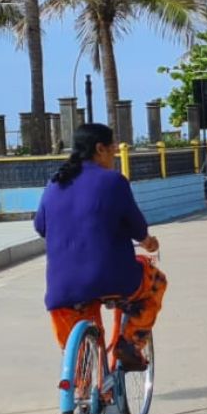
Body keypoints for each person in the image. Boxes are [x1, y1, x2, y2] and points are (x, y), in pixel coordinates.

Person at [36, 123, 168, 391]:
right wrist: (147, 242)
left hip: (62, 290)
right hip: (114, 280)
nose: (114, 157)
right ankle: (129, 343)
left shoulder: (54, 183)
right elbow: (138, 228)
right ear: (100, 149)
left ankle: (84, 393)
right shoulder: (113, 181)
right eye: (112, 151)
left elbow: (40, 226)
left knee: (79, 341)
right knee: (156, 282)